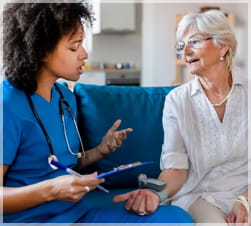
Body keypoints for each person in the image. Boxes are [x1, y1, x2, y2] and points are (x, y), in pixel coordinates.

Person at [1, 2, 194, 224]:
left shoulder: (65, 97)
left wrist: (101, 151)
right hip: (32, 220)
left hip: (77, 213)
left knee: (176, 219)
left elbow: (66, 163)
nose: (84, 54)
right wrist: (52, 189)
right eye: (74, 47)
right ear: (41, 50)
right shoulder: (7, 104)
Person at [113, 10, 249, 224]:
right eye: (180, 46)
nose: (185, 51)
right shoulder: (177, 101)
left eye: (193, 42)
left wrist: (245, 200)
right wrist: (153, 194)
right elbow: (175, 168)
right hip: (201, 196)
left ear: (223, 45)